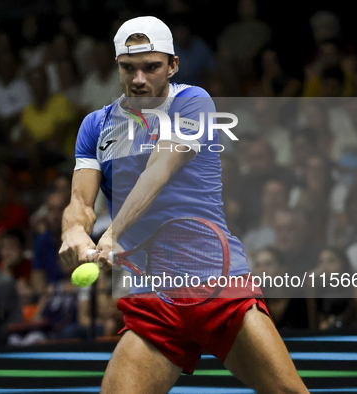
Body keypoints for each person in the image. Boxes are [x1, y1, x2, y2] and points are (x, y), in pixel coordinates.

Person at [59, 16, 308, 393]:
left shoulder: (193, 102)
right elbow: (80, 200)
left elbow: (160, 169)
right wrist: (73, 230)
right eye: (128, 68)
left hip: (216, 285)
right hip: (151, 296)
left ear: (173, 66)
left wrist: (112, 232)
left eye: (151, 67)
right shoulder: (96, 125)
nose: (139, 79)